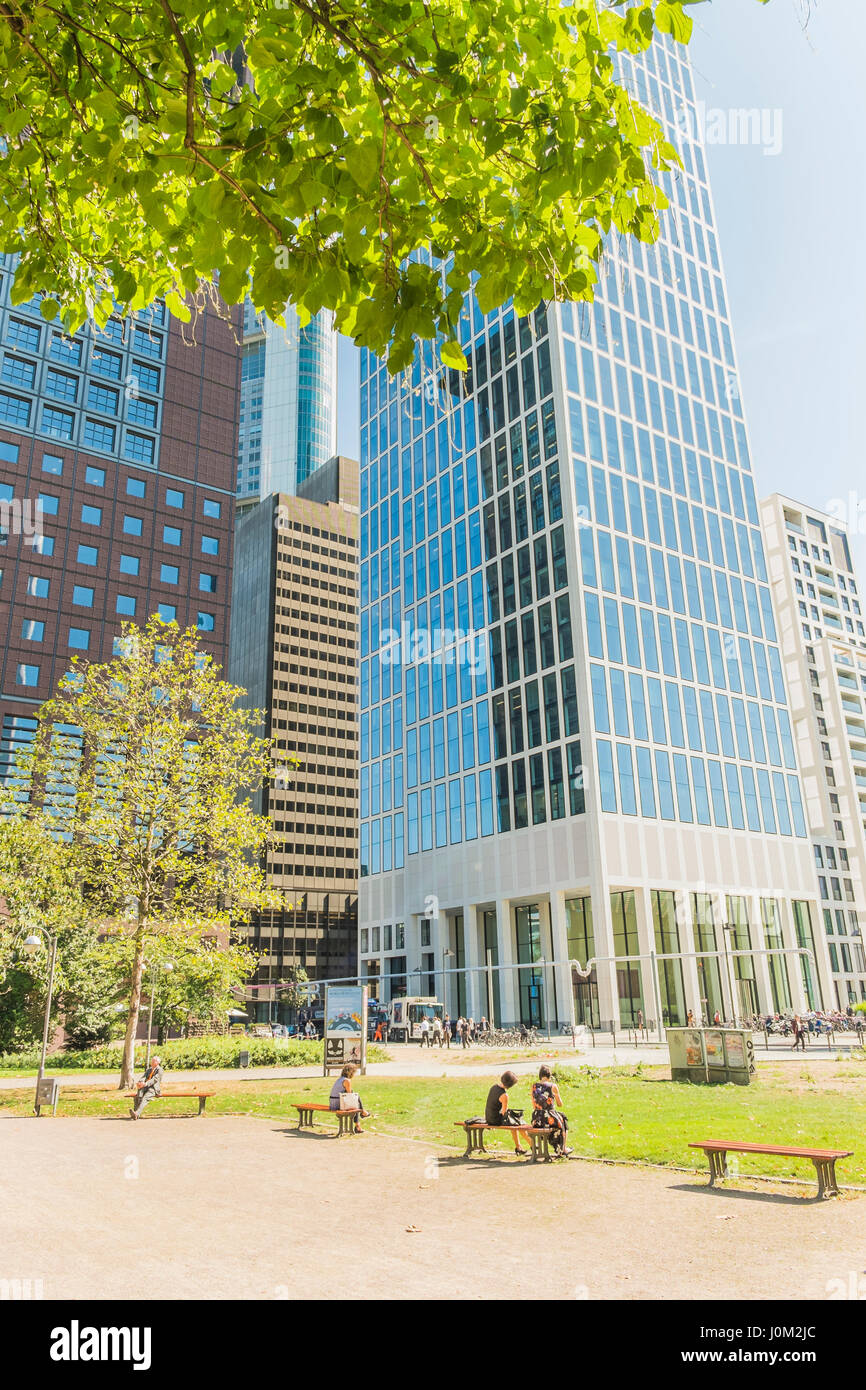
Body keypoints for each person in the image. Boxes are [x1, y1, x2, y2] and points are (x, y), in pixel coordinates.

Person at [531, 1064, 571, 1157]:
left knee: (559, 1120)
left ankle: (558, 1147)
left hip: (537, 1118)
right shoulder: (553, 1086)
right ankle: (563, 1148)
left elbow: (534, 1105)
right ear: (549, 1076)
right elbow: (560, 1104)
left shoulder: (533, 1086)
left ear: (540, 1075)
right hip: (549, 1117)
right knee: (563, 1120)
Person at [485, 1070, 528, 1155]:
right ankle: (533, 1147)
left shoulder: (493, 1087)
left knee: (513, 1124)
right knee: (517, 1124)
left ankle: (519, 1147)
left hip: (489, 1117)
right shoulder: (504, 1095)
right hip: (495, 1120)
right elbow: (504, 1112)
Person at [329, 1063, 370, 1133]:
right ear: (351, 1072)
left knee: (356, 1101)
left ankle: (360, 1118)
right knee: (355, 1103)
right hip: (337, 1104)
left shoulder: (340, 1079)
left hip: (333, 1102)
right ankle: (359, 1121)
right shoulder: (347, 1080)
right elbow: (350, 1095)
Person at [130, 1055, 163, 1120]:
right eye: (152, 1061)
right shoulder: (149, 1069)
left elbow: (154, 1080)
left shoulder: (160, 1070)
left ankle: (136, 1114)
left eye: (154, 1061)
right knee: (137, 1097)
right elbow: (143, 1077)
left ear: (158, 1062)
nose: (152, 1062)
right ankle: (136, 1114)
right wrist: (140, 1082)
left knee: (145, 1098)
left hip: (153, 1088)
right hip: (145, 1087)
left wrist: (145, 1084)